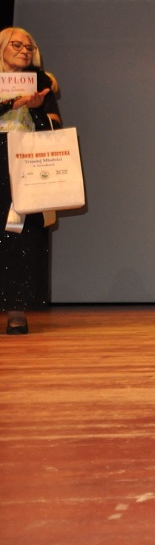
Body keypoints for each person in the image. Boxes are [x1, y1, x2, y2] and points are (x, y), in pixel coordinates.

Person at [0, 27, 61, 335]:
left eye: (29, 47)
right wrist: (12, 104)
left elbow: (54, 128)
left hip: (26, 159)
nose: (24, 51)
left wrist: (36, 110)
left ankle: (17, 308)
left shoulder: (41, 82)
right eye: (17, 45)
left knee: (22, 234)